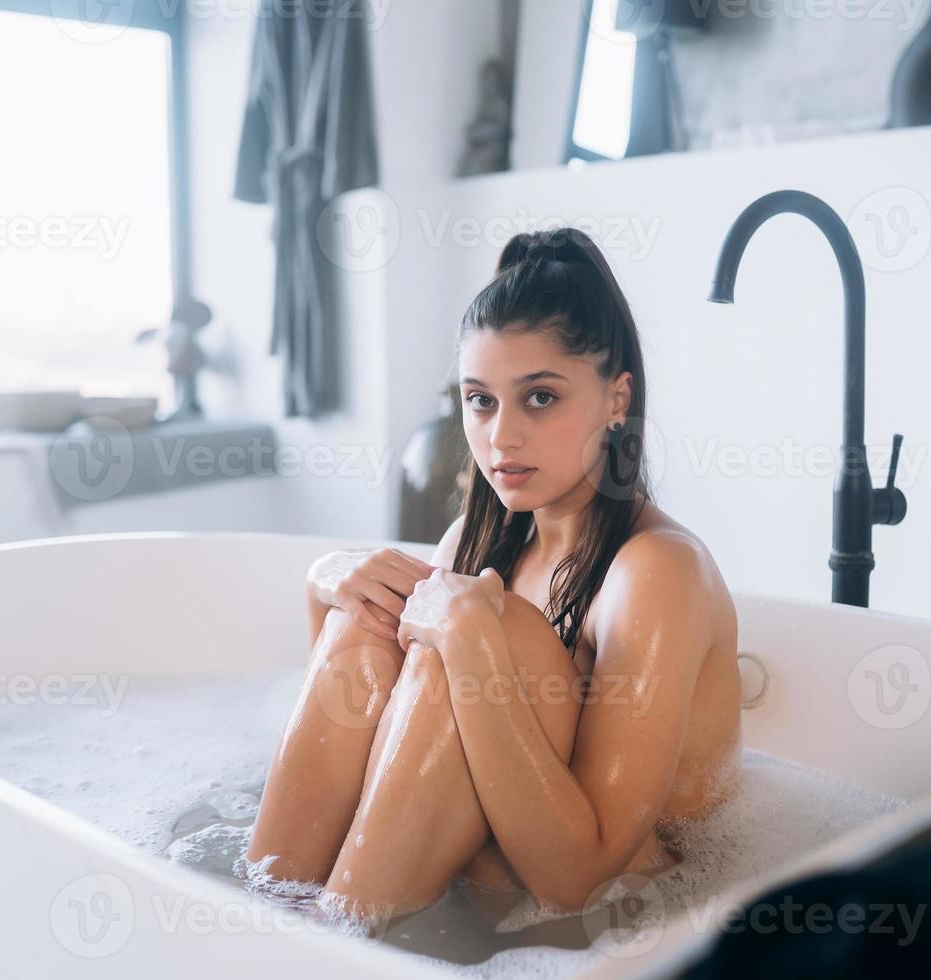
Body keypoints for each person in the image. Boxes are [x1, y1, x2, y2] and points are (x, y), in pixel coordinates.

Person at [245, 226, 743, 928]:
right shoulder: (481, 542)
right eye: (480, 400)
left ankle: (327, 948)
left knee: (482, 625)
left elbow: (579, 880)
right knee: (373, 614)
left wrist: (474, 638)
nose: (500, 436)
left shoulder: (658, 571)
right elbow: (362, 732)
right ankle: (256, 928)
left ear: (616, 399)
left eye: (539, 397)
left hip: (627, 919)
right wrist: (323, 582)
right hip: (469, 897)